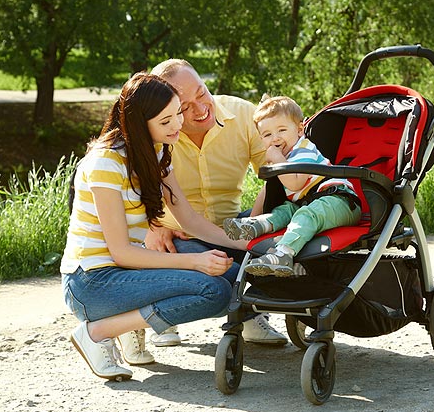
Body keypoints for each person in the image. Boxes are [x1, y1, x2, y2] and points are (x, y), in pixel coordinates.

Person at [61, 73, 249, 381]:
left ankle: (119, 324)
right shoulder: (106, 162)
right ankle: (97, 331)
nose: (177, 125)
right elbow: (121, 253)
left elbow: (190, 220)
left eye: (177, 114)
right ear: (138, 123)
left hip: (124, 274)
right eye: (166, 121)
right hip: (90, 283)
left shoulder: (157, 151)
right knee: (212, 290)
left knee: (233, 277)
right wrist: (194, 261)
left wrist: (249, 244)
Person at [144, 59, 287, 345]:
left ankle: (248, 315)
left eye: (202, 92)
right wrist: (151, 226)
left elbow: (279, 174)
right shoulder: (156, 132)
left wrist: (253, 226)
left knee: (280, 229)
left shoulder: (244, 115)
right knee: (228, 277)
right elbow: (130, 190)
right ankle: (162, 311)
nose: (200, 109)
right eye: (185, 107)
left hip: (231, 225)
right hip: (176, 236)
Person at [223, 95, 362, 277]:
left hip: (340, 201)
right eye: (267, 135)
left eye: (281, 130)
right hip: (308, 202)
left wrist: (278, 161)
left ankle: (282, 253)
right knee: (285, 210)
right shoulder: (287, 155)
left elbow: (295, 184)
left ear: (299, 130)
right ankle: (257, 225)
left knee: (304, 214)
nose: (275, 139)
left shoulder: (304, 149)